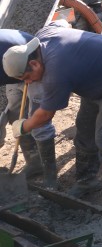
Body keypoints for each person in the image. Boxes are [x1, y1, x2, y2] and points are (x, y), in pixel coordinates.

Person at [2, 24, 102, 206]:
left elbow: (44, 116)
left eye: (26, 78)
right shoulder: (42, 40)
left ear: (34, 63)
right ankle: (87, 181)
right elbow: (61, 24)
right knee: (84, 132)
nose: (27, 83)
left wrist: (23, 126)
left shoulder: (56, 72)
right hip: (96, 78)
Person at [0, 29, 58, 188]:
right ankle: (34, 160)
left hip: (31, 65)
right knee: (15, 115)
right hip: (12, 70)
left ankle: (51, 179)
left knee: (37, 120)